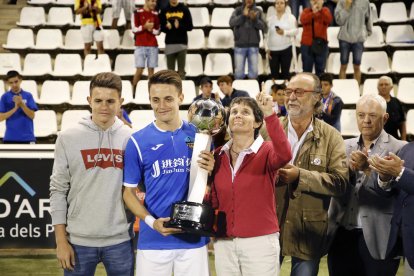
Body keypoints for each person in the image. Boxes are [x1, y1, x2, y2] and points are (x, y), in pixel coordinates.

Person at [122, 70, 214, 276]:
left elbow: (211, 183)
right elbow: (128, 193)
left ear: (181, 98)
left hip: (193, 239)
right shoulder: (138, 141)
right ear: (149, 100)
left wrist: (213, 169)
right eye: (156, 100)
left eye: (168, 99)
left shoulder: (201, 135)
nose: (161, 106)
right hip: (153, 239)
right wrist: (151, 222)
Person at [50, 72, 135, 275]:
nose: (104, 106)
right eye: (98, 100)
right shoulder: (67, 138)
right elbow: (58, 190)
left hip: (120, 240)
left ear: (120, 102)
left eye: (110, 101)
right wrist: (61, 241)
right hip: (77, 241)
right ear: (89, 101)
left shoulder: (131, 138)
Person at [266, 72, 348, 276]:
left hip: (308, 231)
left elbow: (340, 183)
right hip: (269, 225)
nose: (291, 97)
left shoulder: (332, 137)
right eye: (288, 91)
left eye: (299, 92)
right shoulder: (267, 131)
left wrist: (300, 176)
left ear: (317, 97)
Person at [210, 89, 292, 275]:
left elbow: (285, 154)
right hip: (224, 243)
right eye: (234, 112)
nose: (238, 115)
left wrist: (270, 114)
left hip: (260, 243)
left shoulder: (267, 150)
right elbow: (215, 200)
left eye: (245, 112)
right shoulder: (218, 155)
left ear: (257, 122)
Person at [328, 94, 406, 276]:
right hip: (341, 234)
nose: (366, 121)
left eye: (373, 115)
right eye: (361, 115)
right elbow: (333, 186)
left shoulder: (401, 148)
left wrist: (368, 169)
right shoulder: (341, 145)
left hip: (380, 237)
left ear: (385, 118)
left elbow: (395, 192)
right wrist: (346, 173)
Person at [369, 142, 414, 276]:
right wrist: (385, 177)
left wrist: (399, 172)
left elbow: (403, 175)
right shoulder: (408, 148)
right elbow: (393, 191)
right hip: (407, 240)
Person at [335, 0, 372, 84]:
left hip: (358, 39)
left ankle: (357, 90)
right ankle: (342, 89)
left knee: (357, 66)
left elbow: (368, 17)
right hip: (344, 38)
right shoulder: (342, 2)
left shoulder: (365, 2)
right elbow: (339, 21)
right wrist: (346, 8)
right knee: (343, 65)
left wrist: (368, 31)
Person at [230, 0, 267, 80]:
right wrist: (243, 16)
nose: (249, 0)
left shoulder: (258, 11)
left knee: (253, 73)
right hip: (239, 45)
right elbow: (231, 23)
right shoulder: (238, 10)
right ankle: (239, 90)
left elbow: (264, 26)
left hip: (253, 45)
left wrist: (255, 20)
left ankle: (253, 90)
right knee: (239, 73)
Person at [0, 70, 37, 144]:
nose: (14, 85)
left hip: (27, 137)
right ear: (7, 83)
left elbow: (32, 116)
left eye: (16, 81)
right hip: (10, 138)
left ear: (20, 80)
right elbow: (1, 118)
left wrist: (22, 105)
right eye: (11, 82)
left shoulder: (28, 95)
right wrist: (15, 108)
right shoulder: (4, 97)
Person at [159, 0, 193, 79]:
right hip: (169, 43)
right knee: (170, 73)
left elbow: (190, 27)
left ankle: (181, 90)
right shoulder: (164, 10)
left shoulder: (184, 9)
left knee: (181, 72)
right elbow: (161, 27)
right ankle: (171, 91)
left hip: (182, 43)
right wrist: (167, 28)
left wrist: (179, 26)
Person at [131, 0, 160, 88]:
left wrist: (151, 30)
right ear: (146, 1)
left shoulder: (156, 14)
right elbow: (134, 29)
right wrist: (145, 27)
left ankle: (151, 94)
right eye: (152, 1)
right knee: (139, 70)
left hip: (153, 46)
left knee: (151, 71)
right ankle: (133, 92)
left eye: (155, 1)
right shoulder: (136, 12)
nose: (154, 3)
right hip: (140, 45)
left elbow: (158, 30)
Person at [266, 0, 297, 81]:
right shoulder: (270, 19)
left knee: (286, 75)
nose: (279, 5)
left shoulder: (291, 17)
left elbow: (295, 31)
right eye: (277, 3)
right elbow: (266, 36)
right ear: (274, 5)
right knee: (274, 76)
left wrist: (284, 32)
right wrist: (267, 48)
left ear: (285, 5)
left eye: (281, 3)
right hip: (273, 50)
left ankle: (286, 93)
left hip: (286, 49)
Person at [300, 0, 332, 77]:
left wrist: (320, 10)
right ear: (310, 2)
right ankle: (308, 88)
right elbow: (302, 20)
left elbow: (329, 20)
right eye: (313, 0)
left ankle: (319, 88)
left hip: (321, 45)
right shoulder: (306, 11)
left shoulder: (325, 11)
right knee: (307, 71)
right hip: (307, 45)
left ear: (323, 1)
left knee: (320, 71)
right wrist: (313, 13)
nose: (315, 2)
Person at [377, 76, 407, 141]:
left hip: (394, 139)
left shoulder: (397, 102)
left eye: (386, 84)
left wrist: (403, 141)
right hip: (376, 141)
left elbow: (402, 124)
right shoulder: (372, 102)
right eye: (381, 85)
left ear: (391, 87)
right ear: (377, 87)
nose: (383, 86)